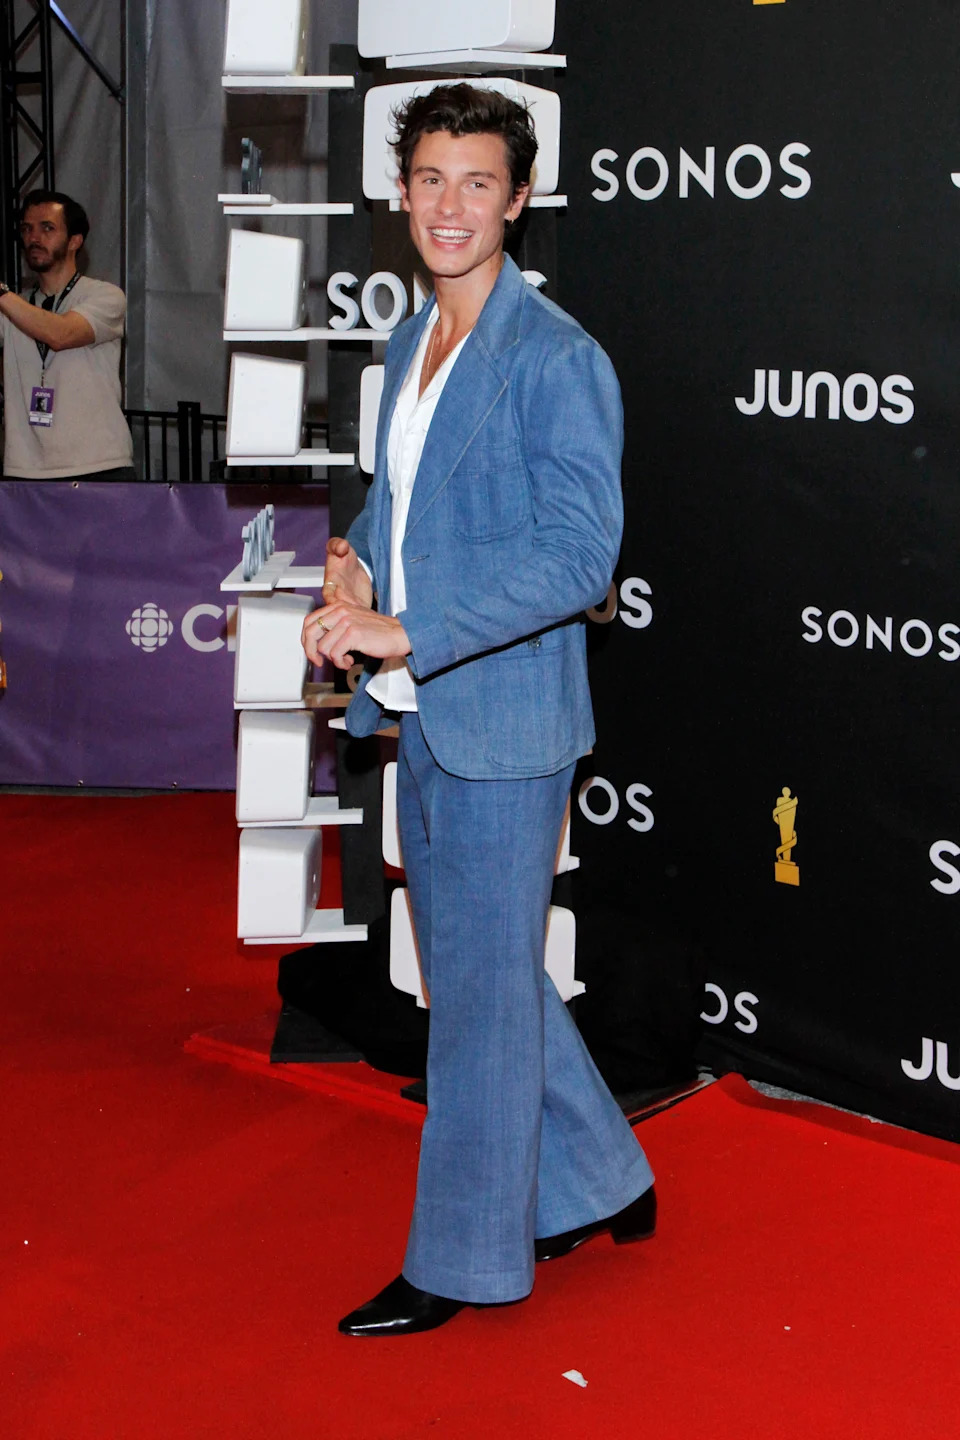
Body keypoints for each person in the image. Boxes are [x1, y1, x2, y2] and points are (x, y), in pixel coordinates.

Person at [302, 83, 656, 1338]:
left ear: (518, 201)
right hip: (425, 711)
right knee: (483, 978)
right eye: (431, 180)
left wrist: (411, 627)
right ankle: (607, 1175)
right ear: (401, 195)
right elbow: (397, 503)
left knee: (480, 1006)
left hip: (504, 718)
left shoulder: (559, 358)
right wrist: (355, 564)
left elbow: (578, 557)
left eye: (478, 184)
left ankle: (461, 1259)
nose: (451, 207)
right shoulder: (411, 343)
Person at [0, 189, 133, 479]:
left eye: (47, 228)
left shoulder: (105, 296)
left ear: (75, 241)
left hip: (98, 465)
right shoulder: (13, 305)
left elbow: (60, 335)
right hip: (25, 469)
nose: (34, 238)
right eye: (27, 229)